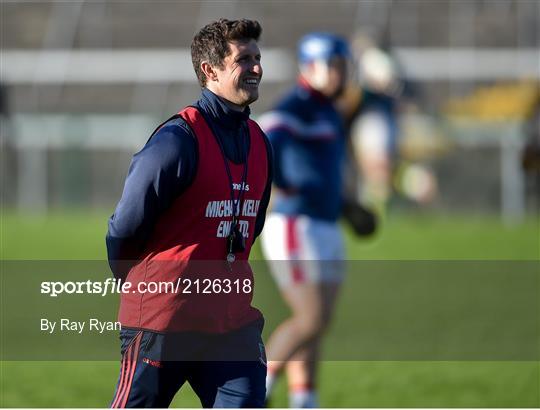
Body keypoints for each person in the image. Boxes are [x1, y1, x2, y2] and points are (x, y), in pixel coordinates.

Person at [106, 19, 272, 408]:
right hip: (163, 321)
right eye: (244, 59)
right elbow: (124, 227)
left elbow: (252, 227)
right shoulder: (176, 142)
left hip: (230, 323)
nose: (257, 68)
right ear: (209, 70)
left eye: (258, 58)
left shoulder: (261, 144)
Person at [258, 32, 351, 408]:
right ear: (311, 67)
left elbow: (323, 171)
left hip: (326, 224)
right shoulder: (296, 105)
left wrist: (349, 204)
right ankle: (253, 391)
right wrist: (279, 186)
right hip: (297, 225)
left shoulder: (329, 110)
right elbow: (263, 138)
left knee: (319, 322)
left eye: (342, 66)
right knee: (309, 319)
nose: (339, 74)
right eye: (333, 66)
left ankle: (305, 400)